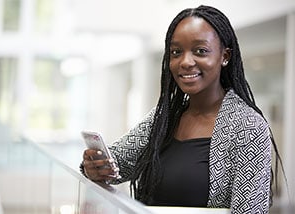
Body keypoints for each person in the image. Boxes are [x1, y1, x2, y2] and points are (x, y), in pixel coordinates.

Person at [80, 5, 282, 213]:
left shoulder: (248, 127)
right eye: (176, 52)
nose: (185, 62)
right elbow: (118, 164)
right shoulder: (165, 118)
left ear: (225, 56)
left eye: (200, 51)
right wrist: (96, 167)